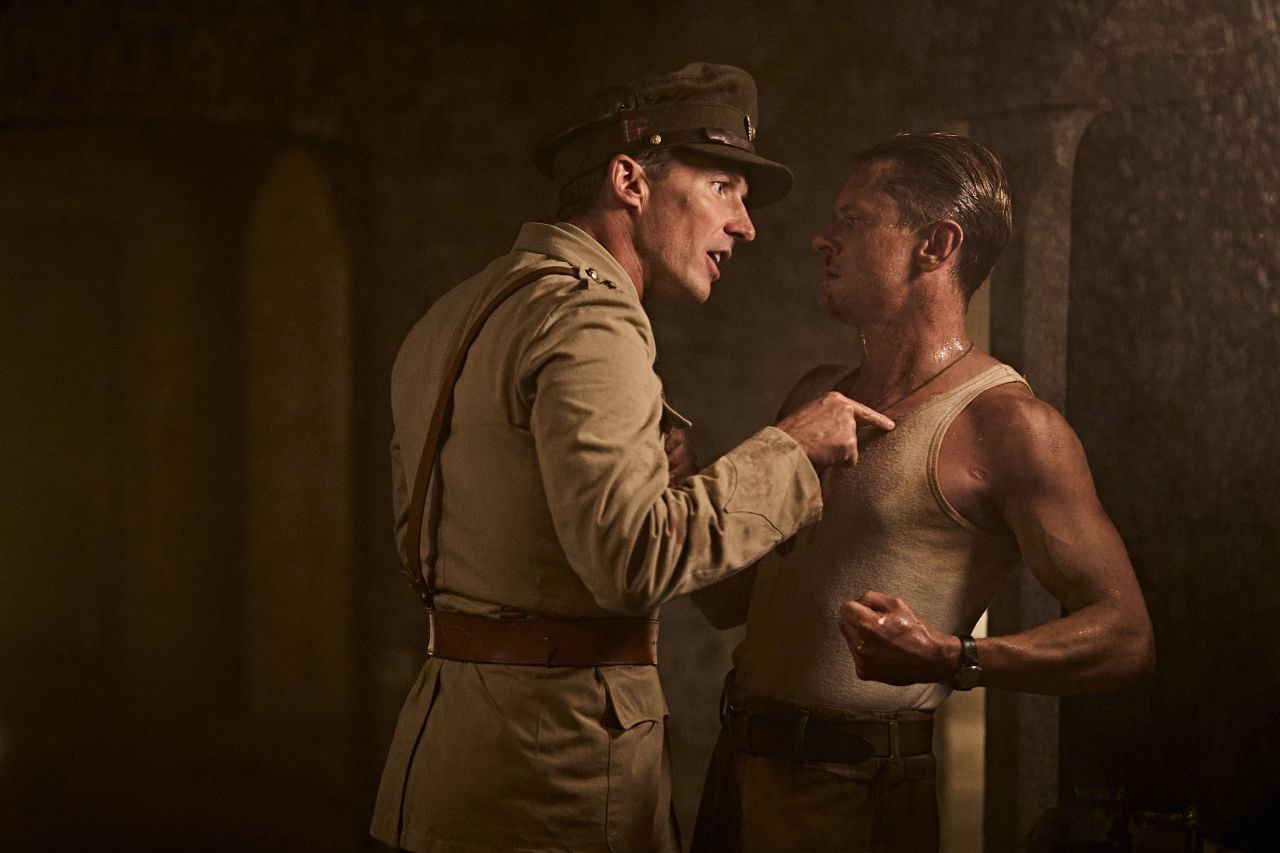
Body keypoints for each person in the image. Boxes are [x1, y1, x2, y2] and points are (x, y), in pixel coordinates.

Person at [368, 63, 895, 853]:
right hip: (551, 779)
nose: (745, 226)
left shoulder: (459, 311)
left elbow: (442, 541)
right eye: (723, 186)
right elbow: (630, 561)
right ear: (630, 181)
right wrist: (791, 449)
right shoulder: (590, 320)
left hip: (441, 764)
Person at [689, 132, 1155, 852]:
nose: (822, 237)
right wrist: (680, 482)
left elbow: (1126, 637)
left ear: (937, 244)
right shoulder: (817, 396)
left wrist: (953, 658)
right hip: (737, 774)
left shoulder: (1009, 426)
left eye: (854, 219)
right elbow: (729, 601)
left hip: (862, 793)